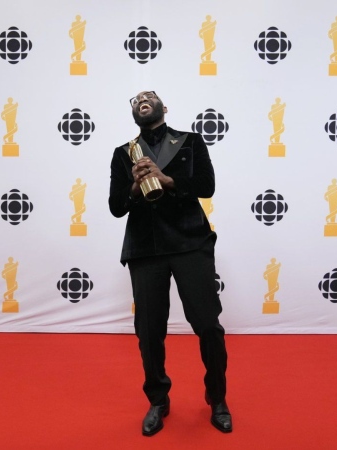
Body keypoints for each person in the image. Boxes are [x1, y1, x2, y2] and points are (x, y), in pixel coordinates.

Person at [109, 91, 232, 436]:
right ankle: (158, 400)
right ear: (134, 112)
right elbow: (116, 206)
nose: (142, 100)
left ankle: (218, 398)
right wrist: (135, 186)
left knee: (208, 324)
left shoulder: (191, 141)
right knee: (149, 331)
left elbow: (206, 187)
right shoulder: (124, 154)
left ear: (165, 108)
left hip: (190, 243)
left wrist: (168, 180)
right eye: (135, 99)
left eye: (150, 97)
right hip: (145, 249)